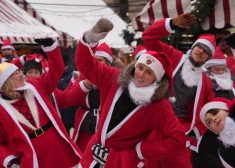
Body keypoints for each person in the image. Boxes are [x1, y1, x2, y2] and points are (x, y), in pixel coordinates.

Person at [75, 18, 186, 168]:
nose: (141, 74)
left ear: (156, 79)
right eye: (140, 68)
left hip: (121, 162)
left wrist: (139, 151)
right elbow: (84, 63)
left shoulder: (159, 106)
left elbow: (177, 139)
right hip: (92, 154)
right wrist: (90, 38)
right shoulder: (113, 78)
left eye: (148, 72)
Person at [0, 38, 81, 168]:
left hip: (56, 145)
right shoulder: (2, 109)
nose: (21, 74)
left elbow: (56, 70)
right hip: (31, 155)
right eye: (16, 73)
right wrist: (9, 160)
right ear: (6, 81)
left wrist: (51, 49)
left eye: (19, 70)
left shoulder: (35, 86)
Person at [142, 13, 216, 153]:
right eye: (199, 46)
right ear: (193, 46)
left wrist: (197, 130)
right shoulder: (173, 56)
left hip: (180, 127)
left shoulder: (205, 81)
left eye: (206, 51)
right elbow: (148, 37)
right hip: (154, 119)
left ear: (208, 58)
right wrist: (170, 25)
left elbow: (208, 108)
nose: (201, 51)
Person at [192, 46, 234, 168]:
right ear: (209, 69)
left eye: (223, 69)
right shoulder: (203, 86)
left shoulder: (230, 88)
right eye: (217, 69)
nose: (221, 73)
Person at [200, 97, 235, 167]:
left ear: (226, 110)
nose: (214, 119)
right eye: (209, 122)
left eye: (215, 113)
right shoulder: (224, 154)